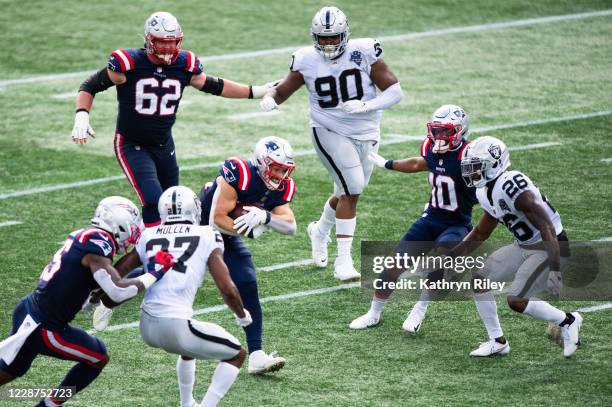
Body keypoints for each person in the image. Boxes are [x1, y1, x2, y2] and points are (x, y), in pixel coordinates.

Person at [71, 11, 274, 228]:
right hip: (132, 144)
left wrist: (257, 91)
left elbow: (216, 86)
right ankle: (150, 253)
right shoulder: (128, 63)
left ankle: (167, 252)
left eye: (172, 42)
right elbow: (90, 86)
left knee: (172, 205)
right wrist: (82, 115)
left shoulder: (185, 65)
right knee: (152, 199)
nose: (168, 49)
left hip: (164, 145)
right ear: (149, 40)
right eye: (161, 42)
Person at [260, 6, 403, 281]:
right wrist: (272, 100)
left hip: (368, 129)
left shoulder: (364, 52)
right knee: (353, 188)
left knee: (346, 190)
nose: (327, 43)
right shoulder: (306, 59)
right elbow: (286, 88)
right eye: (322, 38)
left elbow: (395, 91)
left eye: (333, 38)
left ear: (345, 35)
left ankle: (320, 230)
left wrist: (366, 106)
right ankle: (344, 261)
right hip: (328, 128)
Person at [0, 197, 166, 406]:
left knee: (10, 371)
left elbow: (108, 282)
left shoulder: (88, 236)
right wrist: (155, 273)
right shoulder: (98, 244)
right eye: (132, 227)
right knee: (98, 357)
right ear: (121, 223)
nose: (134, 232)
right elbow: (116, 291)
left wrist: (139, 259)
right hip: (47, 328)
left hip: (28, 309)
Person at [113, 186, 251, 407]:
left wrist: (97, 296)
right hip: (175, 326)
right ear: (194, 210)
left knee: (189, 350)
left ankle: (186, 403)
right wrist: (242, 314)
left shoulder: (149, 234)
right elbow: (226, 287)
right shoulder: (207, 233)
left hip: (147, 326)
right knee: (237, 355)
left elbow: (120, 270)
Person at [350, 105, 478, 331]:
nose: (439, 136)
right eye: (437, 130)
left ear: (460, 131)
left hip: (457, 223)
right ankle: (374, 313)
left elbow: (481, 189)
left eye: (446, 131)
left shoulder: (469, 155)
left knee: (441, 257)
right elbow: (420, 163)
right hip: (430, 218)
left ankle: (419, 309)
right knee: (393, 264)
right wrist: (387, 164)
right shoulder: (430, 146)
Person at [451, 136, 579, 357]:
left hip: (551, 246)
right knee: (480, 279)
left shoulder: (511, 185)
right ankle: (498, 341)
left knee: (516, 300)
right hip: (524, 246)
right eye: (468, 168)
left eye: (475, 167)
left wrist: (555, 270)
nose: (470, 173)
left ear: (493, 165)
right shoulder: (484, 191)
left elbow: (547, 226)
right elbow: (480, 232)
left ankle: (568, 321)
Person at [200, 136, 297, 374]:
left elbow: (291, 226)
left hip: (226, 236)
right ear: (261, 163)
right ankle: (107, 291)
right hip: (197, 227)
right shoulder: (239, 171)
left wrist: (266, 218)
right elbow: (216, 218)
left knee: (247, 280)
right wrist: (248, 230)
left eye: (284, 170)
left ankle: (256, 354)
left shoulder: (283, 185)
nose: (280, 175)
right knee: (163, 269)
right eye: (276, 168)